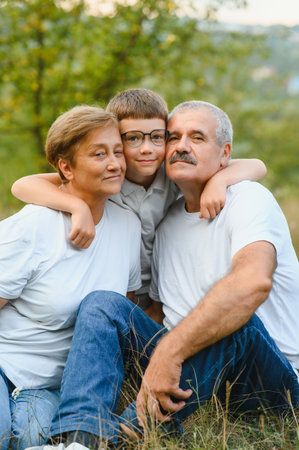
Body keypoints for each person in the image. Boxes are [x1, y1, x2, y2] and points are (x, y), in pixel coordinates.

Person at [26, 101, 298, 450]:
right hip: (196, 372)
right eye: (173, 137)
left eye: (197, 137)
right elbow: (158, 310)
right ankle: (79, 438)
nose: (182, 145)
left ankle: (121, 438)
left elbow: (252, 283)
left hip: (269, 379)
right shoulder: (166, 226)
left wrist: (170, 350)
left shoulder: (248, 198)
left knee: (232, 319)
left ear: (224, 154)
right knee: (102, 304)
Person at [12, 89, 267, 313]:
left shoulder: (172, 174)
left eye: (157, 137)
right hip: (117, 287)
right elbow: (23, 185)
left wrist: (219, 181)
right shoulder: (108, 178)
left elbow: (256, 165)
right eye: (133, 138)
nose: (147, 149)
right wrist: (77, 207)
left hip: (163, 292)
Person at [0, 106, 141, 450]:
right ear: (66, 167)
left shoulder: (127, 226)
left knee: (35, 439)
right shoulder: (34, 226)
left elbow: (125, 311)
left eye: (118, 152)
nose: (115, 164)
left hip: (54, 386)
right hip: (6, 367)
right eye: (99, 154)